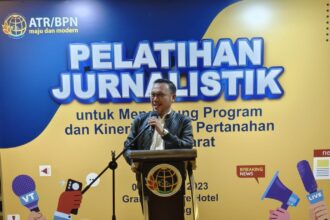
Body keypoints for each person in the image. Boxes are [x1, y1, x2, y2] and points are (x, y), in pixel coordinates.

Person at [124, 78, 193, 161]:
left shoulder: (183, 121)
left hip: (173, 171)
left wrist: (164, 134)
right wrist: (133, 163)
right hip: (146, 172)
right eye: (153, 95)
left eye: (160, 95)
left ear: (173, 97)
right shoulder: (140, 120)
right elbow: (127, 148)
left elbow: (187, 148)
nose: (155, 99)